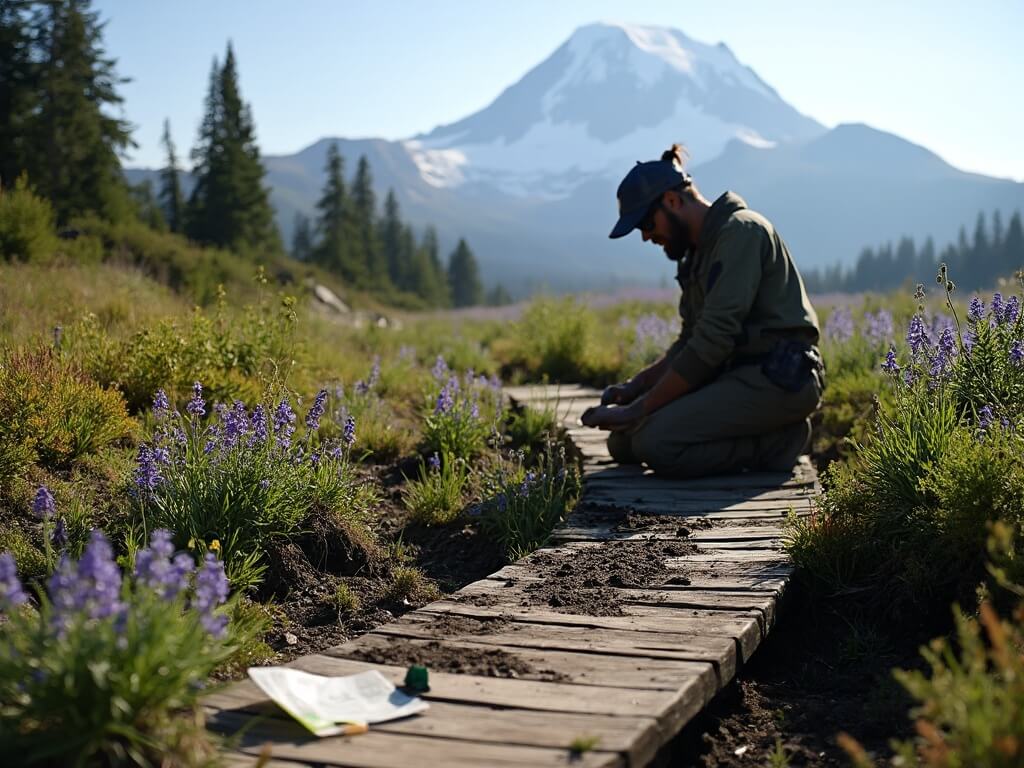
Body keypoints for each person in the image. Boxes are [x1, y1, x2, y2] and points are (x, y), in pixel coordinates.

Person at [580, 144, 824, 477]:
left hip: (779, 381)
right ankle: (758, 436)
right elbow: (690, 343)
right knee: (622, 444)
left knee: (656, 442)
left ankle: (779, 442)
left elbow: (712, 342)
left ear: (672, 201)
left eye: (647, 224)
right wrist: (636, 388)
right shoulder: (698, 254)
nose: (646, 237)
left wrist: (640, 409)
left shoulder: (741, 232)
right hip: (733, 375)